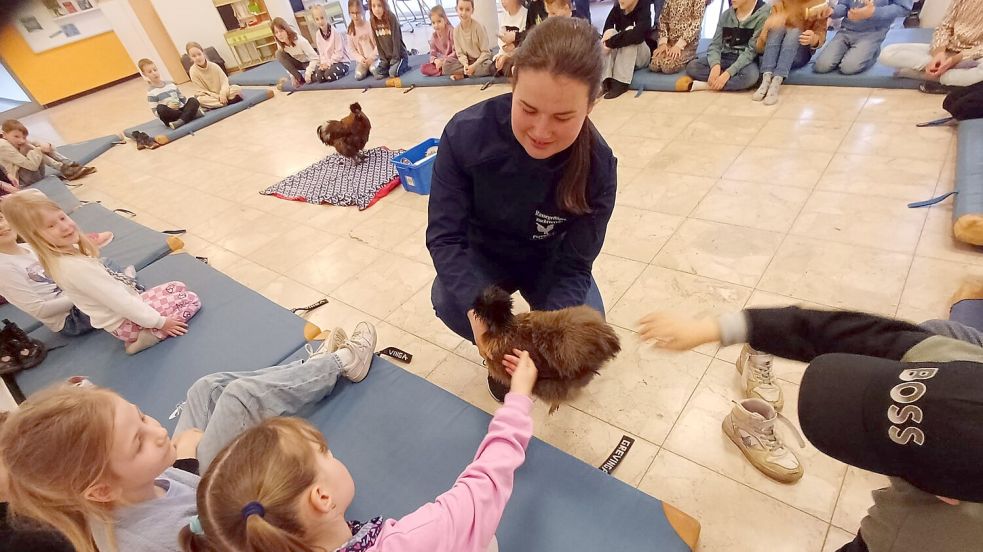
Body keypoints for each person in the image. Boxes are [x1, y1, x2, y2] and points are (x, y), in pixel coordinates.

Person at [0, 322, 377, 552]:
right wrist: (186, 460)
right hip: (213, 491)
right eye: (139, 440)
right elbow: (229, 527)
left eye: (142, 416)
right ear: (100, 490)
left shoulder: (120, 484)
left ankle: (307, 371)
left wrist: (171, 456)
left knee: (204, 387)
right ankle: (341, 364)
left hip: (176, 474)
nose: (158, 429)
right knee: (238, 397)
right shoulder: (157, 538)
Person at [638, 306, 983, 552]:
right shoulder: (949, 353)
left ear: (944, 496)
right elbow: (840, 331)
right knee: (932, 331)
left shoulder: (929, 533)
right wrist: (716, 328)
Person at [178, 349, 536, 552]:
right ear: (321, 498)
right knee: (485, 541)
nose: (333, 455)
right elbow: (483, 486)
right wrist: (518, 398)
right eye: (325, 453)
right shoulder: (410, 540)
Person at [427, 17, 616, 402]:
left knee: (583, 334)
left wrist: (548, 339)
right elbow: (446, 237)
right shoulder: (465, 135)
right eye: (528, 109)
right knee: (449, 300)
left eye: (563, 117)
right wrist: (482, 316)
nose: (541, 131)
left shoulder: (598, 167)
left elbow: (574, 264)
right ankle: (501, 356)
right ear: (512, 83)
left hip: (549, 260)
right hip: (487, 254)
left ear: (591, 105)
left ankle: (521, 360)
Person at [0, 192, 200, 355]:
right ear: (36, 236)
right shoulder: (71, 268)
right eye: (51, 226)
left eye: (62, 218)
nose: (64, 226)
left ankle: (141, 314)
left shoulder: (43, 251)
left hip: (116, 309)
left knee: (176, 286)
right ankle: (146, 337)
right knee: (190, 299)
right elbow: (119, 301)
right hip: (121, 322)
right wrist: (160, 322)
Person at [0, 209, 116, 337]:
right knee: (109, 278)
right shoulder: (4, 269)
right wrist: (80, 291)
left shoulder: (27, 247)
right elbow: (40, 310)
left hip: (77, 297)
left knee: (104, 265)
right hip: (72, 319)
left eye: (0, 219)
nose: (1, 226)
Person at [879, 0, 983, 93]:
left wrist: (954, 60)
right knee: (887, 53)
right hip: (948, 49)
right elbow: (944, 26)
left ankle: (926, 76)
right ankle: (946, 73)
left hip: (974, 56)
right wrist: (939, 53)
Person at [678, 0, 771, 92]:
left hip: (746, 61)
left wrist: (728, 73)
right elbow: (715, 45)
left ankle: (707, 85)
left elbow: (751, 51)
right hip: (725, 56)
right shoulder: (726, 15)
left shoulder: (763, 14)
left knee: (751, 76)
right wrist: (715, 65)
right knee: (692, 66)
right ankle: (721, 81)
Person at [752, 2, 832, 105]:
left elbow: (820, 33)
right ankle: (766, 80)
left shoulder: (819, 4)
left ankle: (776, 82)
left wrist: (814, 39)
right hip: (774, 52)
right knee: (777, 28)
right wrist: (769, 25)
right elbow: (760, 43)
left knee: (794, 33)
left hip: (798, 52)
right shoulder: (780, 3)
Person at [813, 0, 914, 77]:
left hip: (872, 32)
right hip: (847, 30)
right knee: (821, 66)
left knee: (848, 68)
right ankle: (852, 52)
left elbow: (904, 8)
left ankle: (873, 52)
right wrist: (832, 11)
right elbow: (843, 5)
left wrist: (874, 12)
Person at [0, 119, 94, 187]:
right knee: (34, 150)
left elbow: (34, 143)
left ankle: (69, 164)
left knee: (37, 147)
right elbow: (31, 166)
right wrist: (38, 150)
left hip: (34, 174)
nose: (21, 140)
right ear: (4, 135)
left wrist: (42, 145)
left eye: (23, 137)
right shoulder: (3, 146)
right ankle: (64, 168)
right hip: (24, 180)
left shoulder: (12, 138)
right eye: (16, 137)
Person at [600, 0, 653, 98]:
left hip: (641, 56)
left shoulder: (644, 8)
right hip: (622, 55)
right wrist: (607, 40)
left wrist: (610, 43)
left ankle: (621, 82)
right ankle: (605, 79)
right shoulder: (617, 9)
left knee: (630, 32)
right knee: (610, 32)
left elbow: (637, 35)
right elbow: (607, 29)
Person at [139, 58, 203, 130]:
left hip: (179, 110)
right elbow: (156, 112)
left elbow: (183, 100)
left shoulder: (171, 84)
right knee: (160, 108)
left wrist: (180, 104)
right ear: (145, 74)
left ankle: (181, 121)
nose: (154, 73)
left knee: (193, 100)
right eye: (150, 72)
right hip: (170, 116)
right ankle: (191, 115)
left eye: (155, 70)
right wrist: (169, 108)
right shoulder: (151, 92)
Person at [649, 0, 708, 74]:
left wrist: (679, 46)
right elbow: (663, 20)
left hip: (687, 43)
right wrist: (663, 43)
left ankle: (690, 58)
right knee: (654, 65)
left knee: (667, 67)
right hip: (670, 42)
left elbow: (696, 25)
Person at [444, 0, 494, 80]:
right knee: (446, 67)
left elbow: (486, 52)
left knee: (491, 66)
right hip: (467, 61)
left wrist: (474, 66)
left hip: (481, 61)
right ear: (456, 9)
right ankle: (467, 72)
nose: (463, 13)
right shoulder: (456, 30)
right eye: (461, 9)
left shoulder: (479, 27)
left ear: (472, 11)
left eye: (467, 10)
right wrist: (465, 65)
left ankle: (464, 75)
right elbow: (460, 54)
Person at [186, 42, 243, 109]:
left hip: (223, 93)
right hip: (211, 96)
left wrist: (223, 94)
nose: (198, 58)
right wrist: (218, 97)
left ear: (203, 53)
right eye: (194, 56)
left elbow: (224, 81)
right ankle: (228, 102)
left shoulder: (214, 66)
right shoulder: (193, 71)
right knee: (200, 100)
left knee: (237, 88)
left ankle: (218, 104)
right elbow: (202, 91)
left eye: (199, 54)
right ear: (190, 58)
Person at [272, 17, 318, 88]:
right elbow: (286, 63)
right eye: (276, 32)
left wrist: (308, 73)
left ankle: (307, 76)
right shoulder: (280, 43)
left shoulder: (301, 41)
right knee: (278, 53)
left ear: (286, 30)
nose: (279, 35)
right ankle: (299, 79)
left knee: (316, 77)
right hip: (299, 63)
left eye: (281, 31)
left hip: (309, 62)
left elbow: (315, 59)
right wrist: (293, 76)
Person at [311, 4, 352, 83]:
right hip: (328, 63)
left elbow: (339, 54)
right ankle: (328, 72)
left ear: (326, 17)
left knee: (328, 75)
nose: (320, 21)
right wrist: (323, 64)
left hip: (341, 61)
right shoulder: (318, 34)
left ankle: (344, 72)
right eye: (317, 19)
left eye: (322, 18)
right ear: (314, 21)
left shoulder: (335, 32)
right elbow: (322, 53)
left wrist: (328, 64)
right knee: (319, 77)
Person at [370, 0, 410, 79]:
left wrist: (395, 59)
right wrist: (383, 61)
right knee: (376, 73)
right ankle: (390, 68)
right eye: (373, 6)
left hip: (399, 56)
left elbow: (396, 40)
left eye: (379, 6)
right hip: (387, 59)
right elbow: (378, 43)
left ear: (384, 5)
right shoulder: (372, 20)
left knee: (392, 73)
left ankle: (403, 66)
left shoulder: (391, 17)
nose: (376, 9)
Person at [493, 0, 528, 76]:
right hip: (505, 52)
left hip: (517, 53)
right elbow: (501, 37)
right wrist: (503, 48)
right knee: (493, 67)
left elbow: (524, 37)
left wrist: (513, 47)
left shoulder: (525, 14)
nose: (502, 2)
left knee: (512, 64)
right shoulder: (503, 16)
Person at [348, 0, 380, 80]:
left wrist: (372, 58)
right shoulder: (350, 31)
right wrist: (361, 59)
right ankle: (367, 69)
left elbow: (378, 45)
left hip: (374, 58)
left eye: (358, 12)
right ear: (349, 13)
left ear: (363, 11)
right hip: (362, 61)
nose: (355, 16)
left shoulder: (371, 25)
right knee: (358, 76)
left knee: (374, 70)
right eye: (352, 13)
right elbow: (352, 50)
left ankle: (372, 68)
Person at [422, 5, 456, 77]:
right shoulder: (434, 36)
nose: (436, 25)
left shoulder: (451, 31)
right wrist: (436, 61)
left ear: (445, 20)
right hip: (441, 61)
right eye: (433, 23)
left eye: (439, 21)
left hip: (451, 60)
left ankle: (443, 70)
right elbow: (432, 54)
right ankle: (442, 71)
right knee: (423, 68)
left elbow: (456, 52)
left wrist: (444, 61)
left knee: (450, 65)